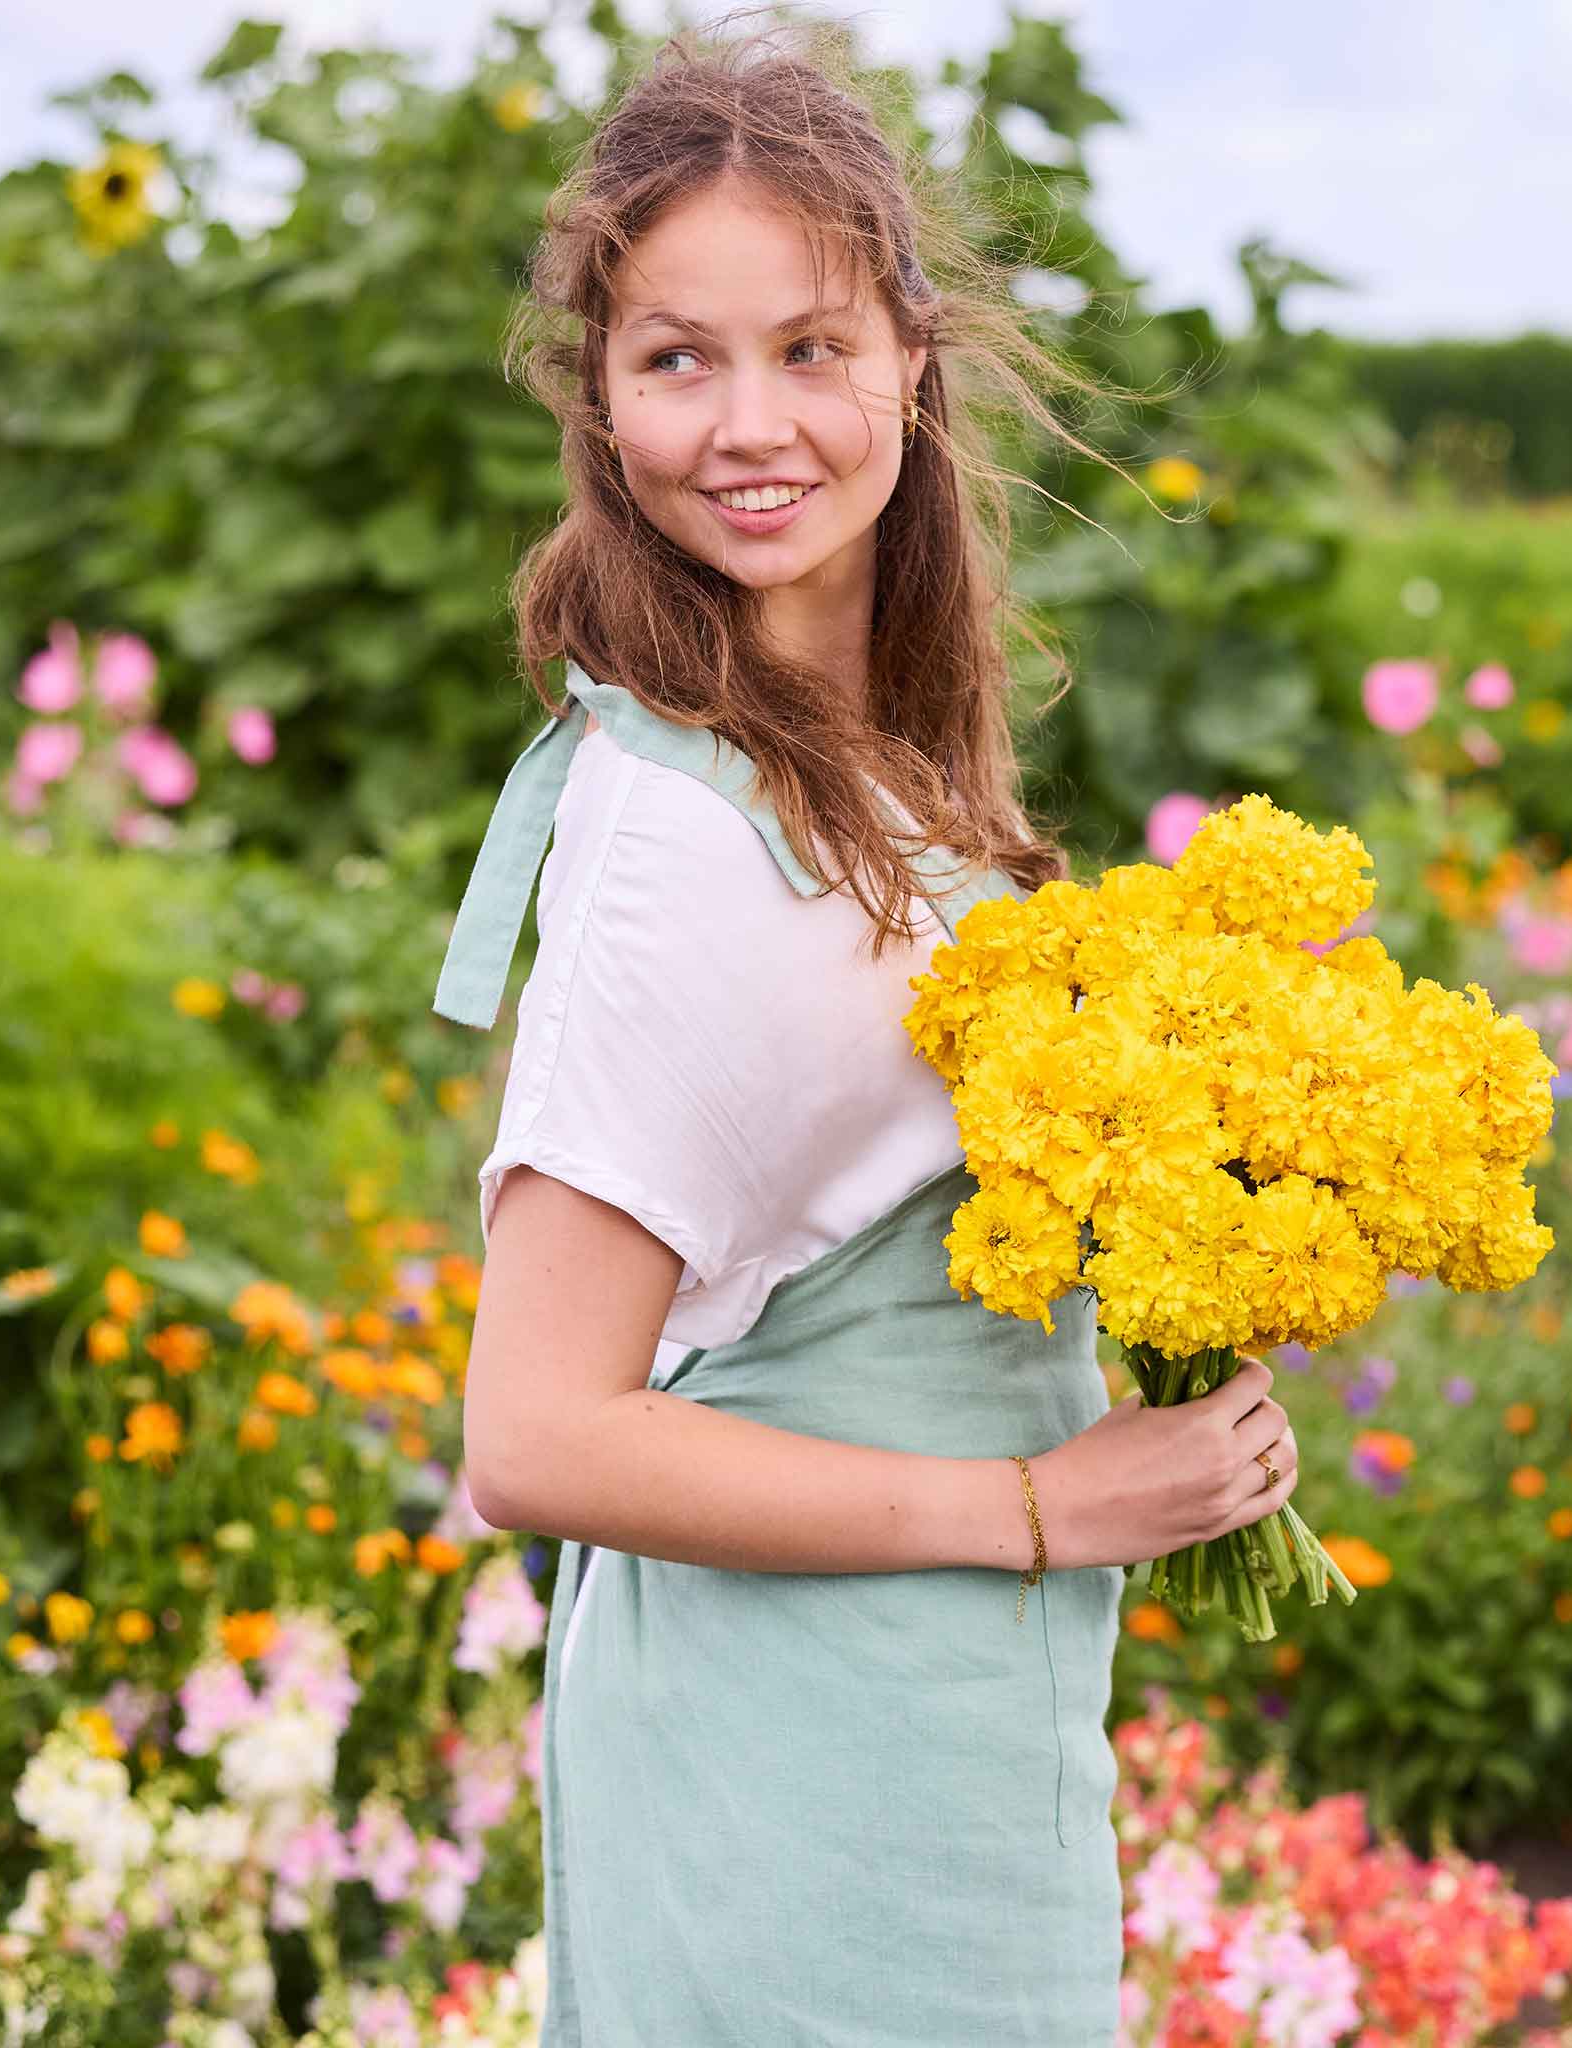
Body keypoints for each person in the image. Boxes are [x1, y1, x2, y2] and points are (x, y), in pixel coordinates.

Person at [431, 14, 1302, 2043]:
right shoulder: (670, 838)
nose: (751, 422)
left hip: (926, 1730)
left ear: (910, 354)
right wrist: (1039, 1504)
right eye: (677, 356)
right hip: (796, 1768)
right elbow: (533, 1434)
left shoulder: (860, 763)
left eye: (808, 347)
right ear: (602, 401)